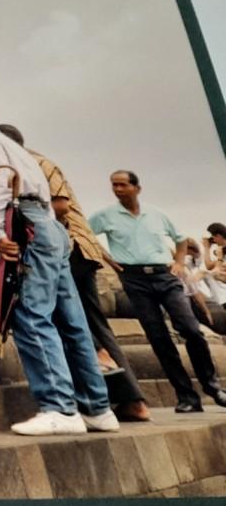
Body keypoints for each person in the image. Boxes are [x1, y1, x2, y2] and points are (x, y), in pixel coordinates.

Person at [0, 102, 115, 436]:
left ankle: (59, 407)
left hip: (25, 225)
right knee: (72, 321)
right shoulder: (17, 148)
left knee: (29, 314)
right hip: (49, 228)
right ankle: (97, 407)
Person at [0, 124, 150, 423]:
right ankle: (101, 400)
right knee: (81, 326)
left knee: (90, 326)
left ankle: (131, 399)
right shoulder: (26, 164)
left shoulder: (36, 164)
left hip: (70, 249)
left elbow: (61, 207)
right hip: (64, 248)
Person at [89, 171, 226, 413]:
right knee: (158, 338)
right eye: (114, 185)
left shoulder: (156, 214)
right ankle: (186, 396)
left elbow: (181, 240)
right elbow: (86, 235)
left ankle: (213, 387)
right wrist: (108, 260)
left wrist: (179, 263)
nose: (118, 189)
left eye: (123, 185)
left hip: (165, 275)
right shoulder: (105, 216)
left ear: (136, 188)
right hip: (134, 278)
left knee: (191, 329)